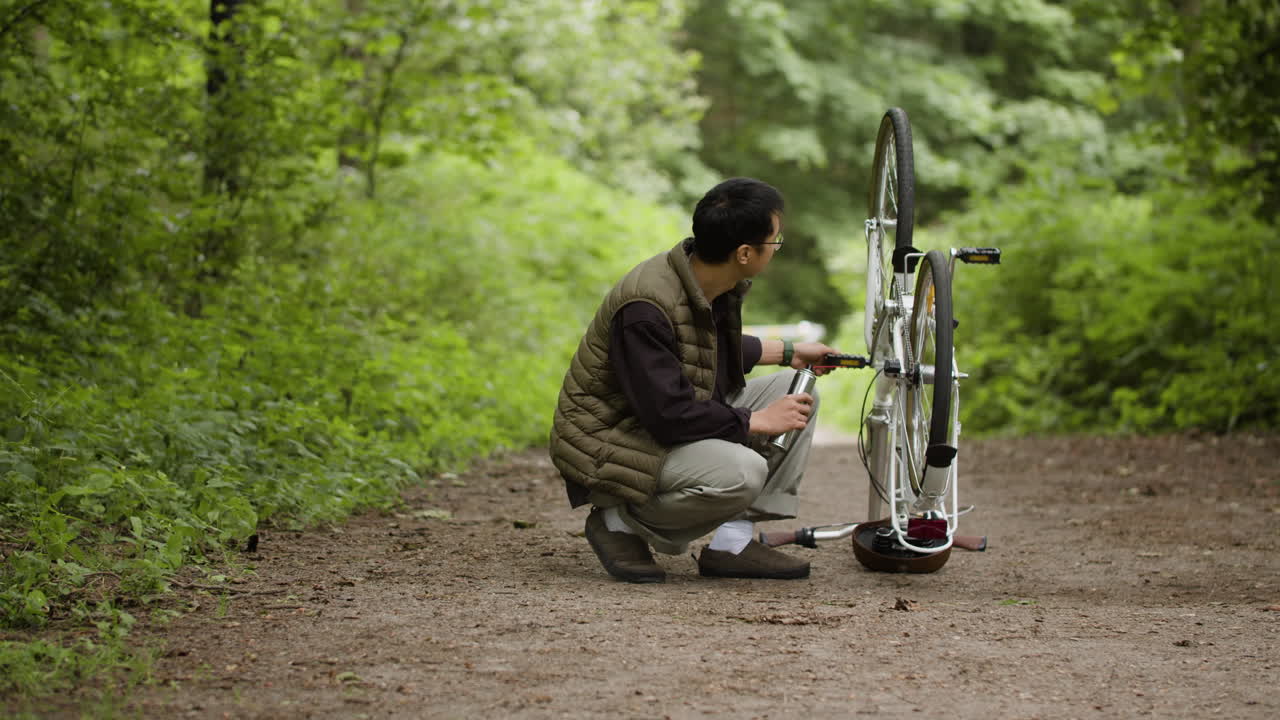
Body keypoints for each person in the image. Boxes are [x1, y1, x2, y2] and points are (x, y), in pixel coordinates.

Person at [548, 177, 839, 583]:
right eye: (775, 242)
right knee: (743, 472)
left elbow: (705, 346)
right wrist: (754, 421)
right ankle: (618, 522)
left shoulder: (704, 279)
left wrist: (791, 353)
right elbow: (668, 414)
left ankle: (732, 543)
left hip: (653, 422)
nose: (776, 249)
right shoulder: (644, 307)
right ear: (743, 252)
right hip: (612, 439)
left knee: (798, 393)